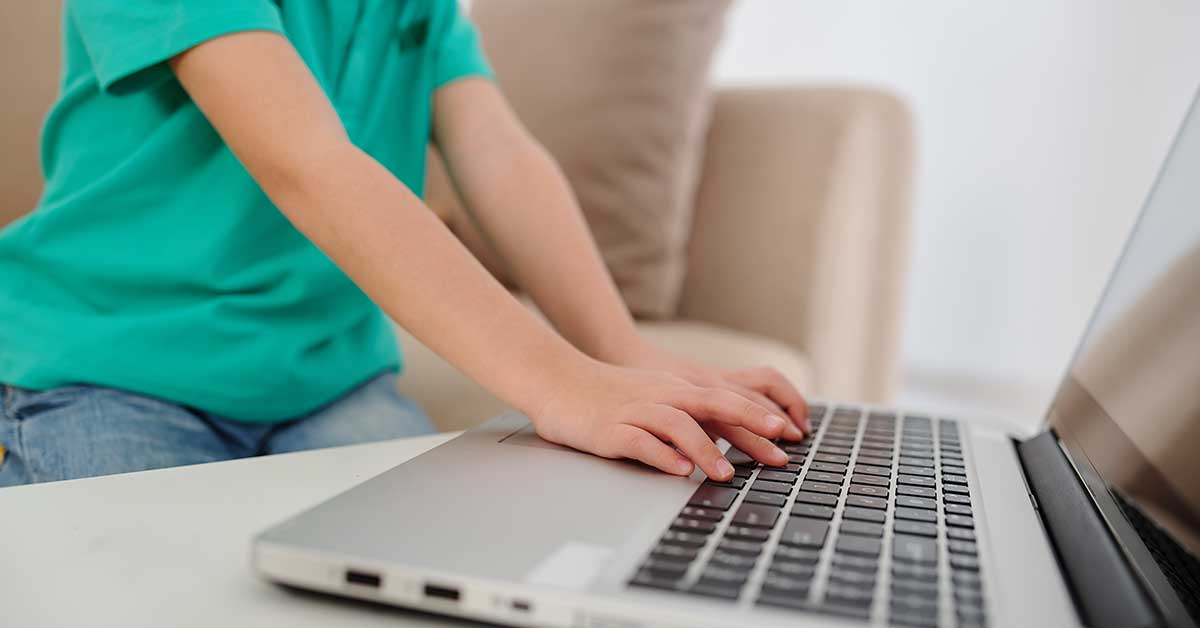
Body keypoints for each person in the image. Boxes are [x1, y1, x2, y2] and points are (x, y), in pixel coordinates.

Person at [0, 0, 810, 488]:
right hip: (110, 367)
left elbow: (498, 151)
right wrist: (560, 383)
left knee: (429, 574)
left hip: (325, 379)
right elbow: (306, 162)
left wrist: (621, 351)